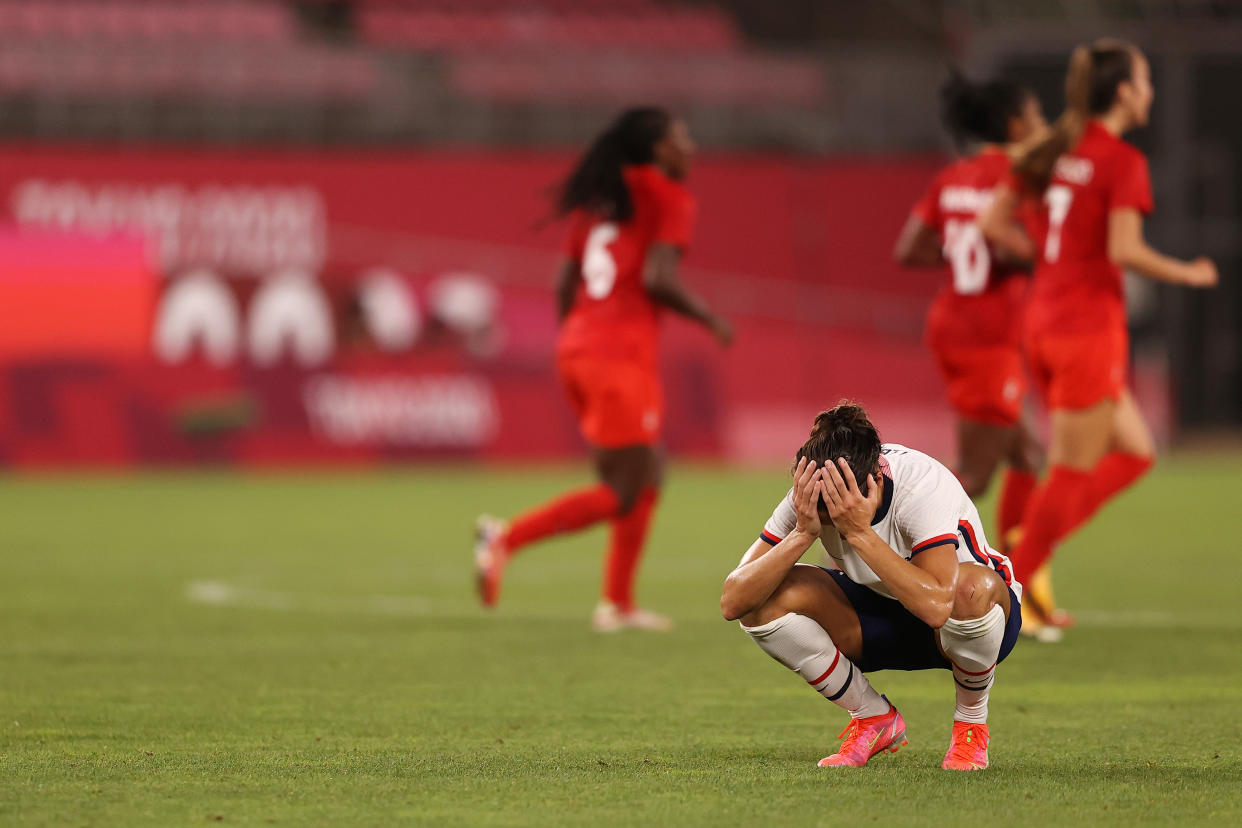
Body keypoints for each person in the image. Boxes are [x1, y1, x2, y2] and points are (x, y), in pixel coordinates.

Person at [474, 107, 733, 631]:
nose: (691, 146)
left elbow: (564, 280)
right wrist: (708, 317)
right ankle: (504, 537)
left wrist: (579, 338)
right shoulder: (668, 197)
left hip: (578, 348)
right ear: (657, 150)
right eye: (682, 136)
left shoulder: (599, 199)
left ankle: (617, 603)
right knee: (621, 488)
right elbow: (659, 278)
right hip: (620, 358)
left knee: (648, 473)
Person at [979, 40, 1218, 589]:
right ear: (1126, 92)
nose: (1151, 90)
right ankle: (1000, 590)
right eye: (1146, 79)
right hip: (1086, 330)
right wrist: (1188, 273)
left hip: (1042, 323)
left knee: (1136, 453)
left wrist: (1048, 257)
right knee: (1069, 472)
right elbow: (1124, 251)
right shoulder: (1120, 161)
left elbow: (994, 222)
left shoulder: (1052, 150)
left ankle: (1030, 538)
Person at [721, 402, 1022, 771]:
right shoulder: (812, 492)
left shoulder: (922, 483)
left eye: (839, 509)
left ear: (876, 479)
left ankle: (971, 726)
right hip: (878, 619)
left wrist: (859, 532)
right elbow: (733, 601)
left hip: (968, 624)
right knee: (762, 598)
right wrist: (801, 533)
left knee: (968, 589)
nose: (830, 516)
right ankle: (872, 717)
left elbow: (937, 606)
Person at [893, 71, 1070, 637]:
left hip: (951, 324)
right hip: (989, 337)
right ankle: (891, 558)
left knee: (1026, 457)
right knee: (973, 475)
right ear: (1016, 125)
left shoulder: (953, 177)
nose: (1041, 127)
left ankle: (1025, 585)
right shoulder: (1016, 176)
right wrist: (1026, 258)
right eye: (1037, 117)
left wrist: (961, 250)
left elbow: (909, 249)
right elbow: (1015, 241)